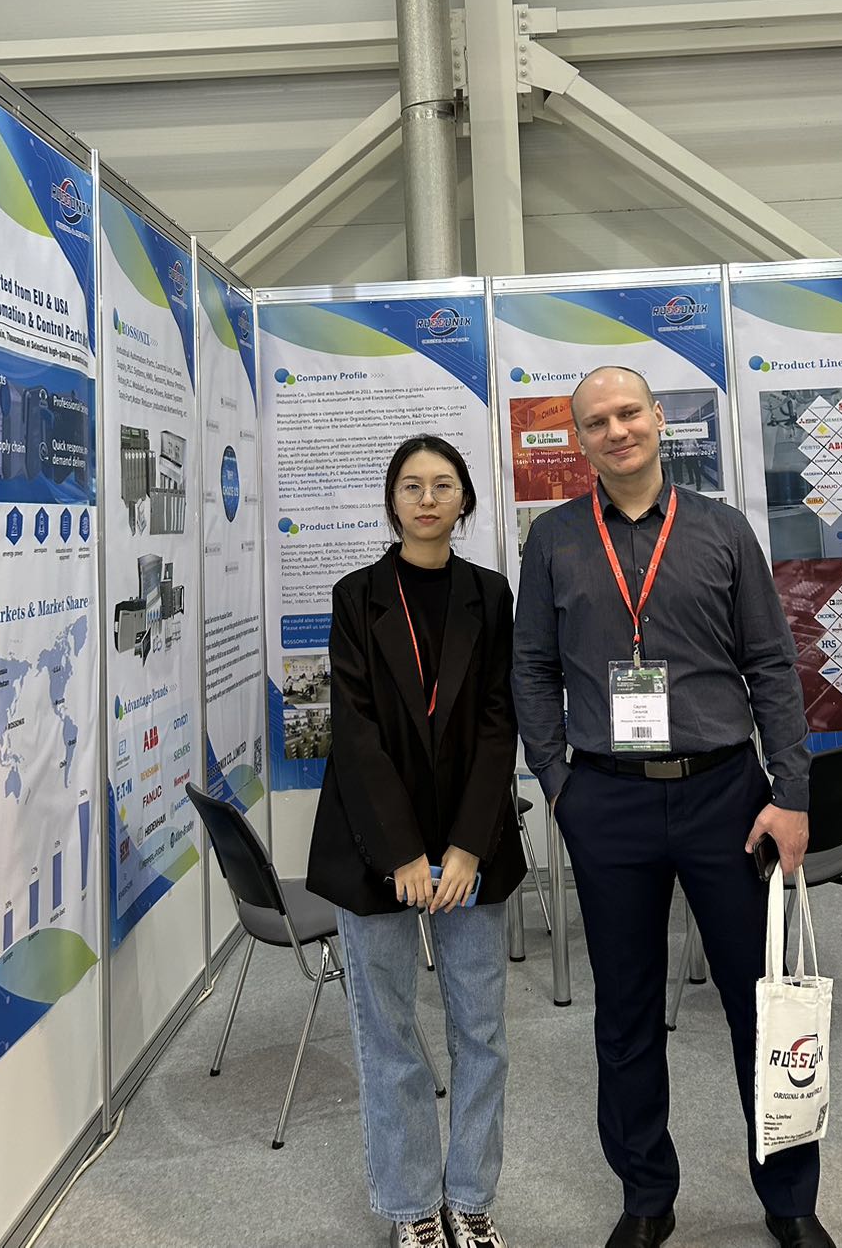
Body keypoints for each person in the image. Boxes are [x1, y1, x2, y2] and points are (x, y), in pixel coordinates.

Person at [512, 367, 836, 1248]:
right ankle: (647, 1194)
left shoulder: (723, 529)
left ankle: (789, 1198)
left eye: (629, 412)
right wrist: (559, 783)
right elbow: (532, 668)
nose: (616, 430)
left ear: (659, 419)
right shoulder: (553, 539)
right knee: (624, 1011)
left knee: (760, 1005)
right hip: (606, 800)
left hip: (725, 794)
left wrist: (791, 794)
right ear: (579, 439)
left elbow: (771, 665)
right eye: (596, 421)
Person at [307, 435, 524, 1248]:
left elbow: (499, 722)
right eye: (411, 485)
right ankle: (411, 1207)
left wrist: (466, 847)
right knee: (388, 1033)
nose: (427, 499)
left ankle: (469, 1195)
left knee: (482, 1032)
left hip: (472, 844)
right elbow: (355, 731)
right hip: (376, 844)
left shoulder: (489, 594)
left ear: (465, 499)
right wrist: (402, 850)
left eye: (442, 485)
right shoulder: (355, 596)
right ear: (392, 500)